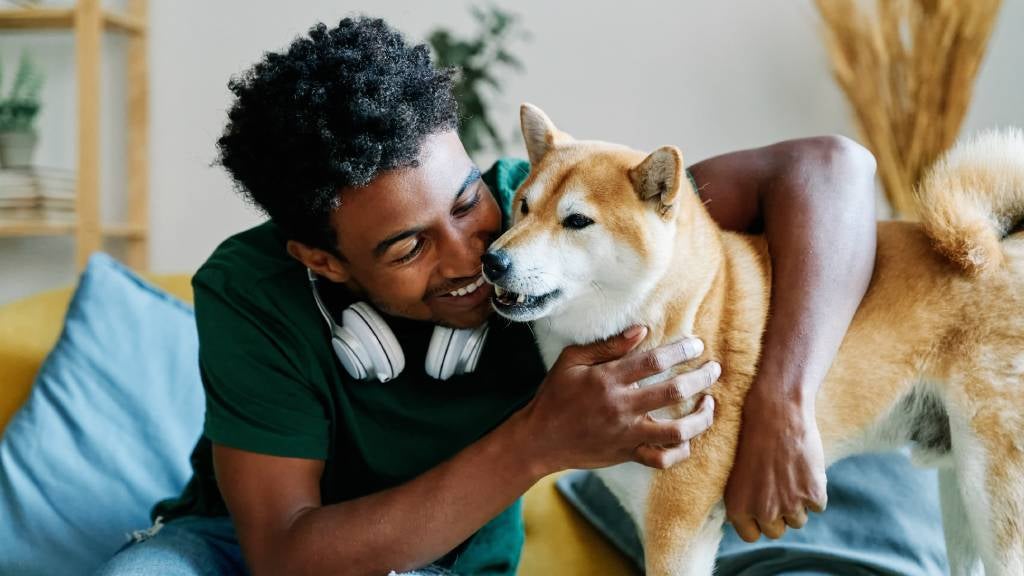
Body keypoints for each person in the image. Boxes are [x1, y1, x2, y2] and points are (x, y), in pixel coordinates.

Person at [95, 16, 882, 576]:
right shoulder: (251, 291)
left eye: (466, 201)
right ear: (323, 262)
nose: (478, 257)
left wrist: (785, 401)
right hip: (228, 550)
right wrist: (540, 440)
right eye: (408, 246)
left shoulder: (541, 220)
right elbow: (286, 554)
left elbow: (832, 168)